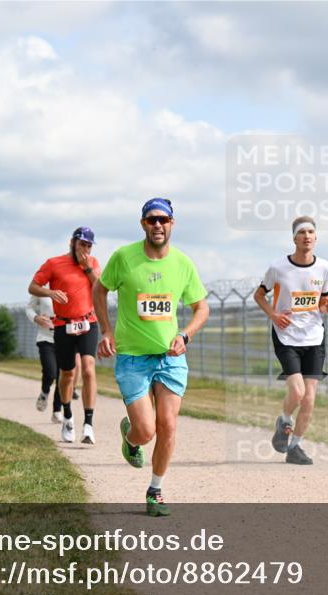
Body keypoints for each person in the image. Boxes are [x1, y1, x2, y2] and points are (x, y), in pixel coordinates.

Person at [94, 198, 209, 517]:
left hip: (170, 358)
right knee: (146, 430)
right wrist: (106, 330)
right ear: (143, 224)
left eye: (163, 220)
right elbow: (99, 289)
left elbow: (202, 308)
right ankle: (131, 440)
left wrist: (185, 334)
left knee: (168, 425)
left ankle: (155, 491)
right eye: (151, 220)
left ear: (172, 223)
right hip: (133, 357)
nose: (158, 225)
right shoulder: (124, 258)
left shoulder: (183, 263)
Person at [254, 216, 328, 465]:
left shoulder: (325, 268)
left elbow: (322, 300)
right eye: (302, 232)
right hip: (286, 335)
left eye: (311, 232)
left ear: (316, 237)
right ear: (294, 238)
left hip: (314, 336)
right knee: (298, 392)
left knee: (310, 399)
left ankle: (295, 448)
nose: (307, 236)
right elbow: (259, 295)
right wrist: (273, 314)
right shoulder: (279, 268)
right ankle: (284, 420)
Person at [29, 227, 101, 444]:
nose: (85, 249)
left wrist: (88, 269)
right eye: (82, 244)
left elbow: (100, 288)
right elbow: (33, 286)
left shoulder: (93, 263)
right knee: (67, 374)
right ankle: (67, 417)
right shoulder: (54, 263)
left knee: (88, 368)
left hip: (88, 322)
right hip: (63, 326)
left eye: (89, 246)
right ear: (72, 242)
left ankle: (88, 424)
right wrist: (50, 292)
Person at [25, 293, 82, 424]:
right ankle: (44, 392)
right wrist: (36, 318)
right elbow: (29, 308)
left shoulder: (69, 286)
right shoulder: (42, 287)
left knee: (62, 375)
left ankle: (57, 411)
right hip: (46, 338)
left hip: (65, 338)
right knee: (50, 372)